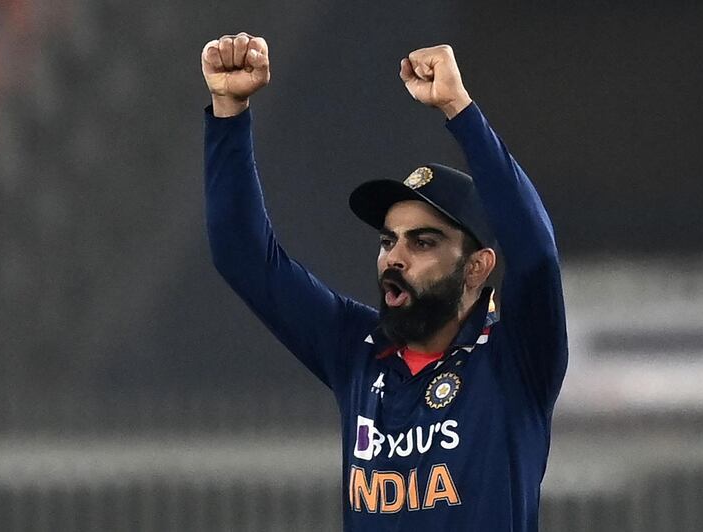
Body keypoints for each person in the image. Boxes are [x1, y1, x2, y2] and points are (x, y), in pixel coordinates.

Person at [202, 31, 568, 532]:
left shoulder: (515, 358)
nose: (395, 258)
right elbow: (243, 256)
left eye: (422, 243)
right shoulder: (356, 347)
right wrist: (229, 109)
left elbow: (536, 254)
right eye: (387, 241)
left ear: (478, 267)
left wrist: (459, 109)